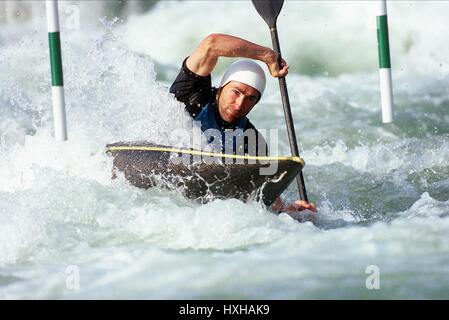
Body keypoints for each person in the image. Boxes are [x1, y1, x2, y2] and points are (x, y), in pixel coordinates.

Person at [170, 33, 316, 214]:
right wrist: (268, 56)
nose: (240, 104)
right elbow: (212, 43)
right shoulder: (191, 93)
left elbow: (264, 200)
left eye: (251, 98)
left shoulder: (252, 141)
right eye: (236, 92)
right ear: (222, 88)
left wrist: (290, 212)